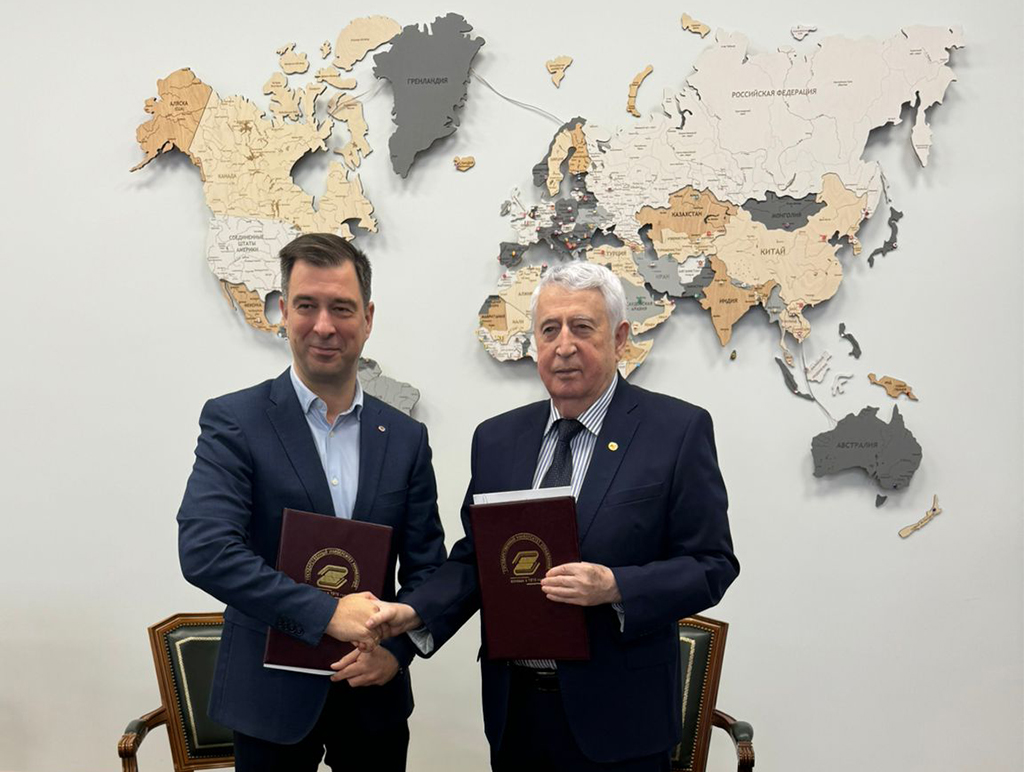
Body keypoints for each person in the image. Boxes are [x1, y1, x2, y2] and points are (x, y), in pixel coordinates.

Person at [368, 262, 739, 771]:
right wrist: (413, 612)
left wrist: (616, 586)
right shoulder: (497, 440)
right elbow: (477, 559)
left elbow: (712, 564)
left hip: (622, 719)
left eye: (582, 327)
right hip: (517, 714)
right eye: (549, 330)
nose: (564, 346)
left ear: (620, 338)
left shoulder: (676, 431)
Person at [177, 233, 446, 772]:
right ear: (283, 311)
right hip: (268, 701)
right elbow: (207, 551)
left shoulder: (406, 438)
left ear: (367, 318)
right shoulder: (235, 421)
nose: (324, 326)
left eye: (341, 308)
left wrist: (396, 654)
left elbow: (428, 569)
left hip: (373, 701)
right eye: (306, 305)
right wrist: (329, 614)